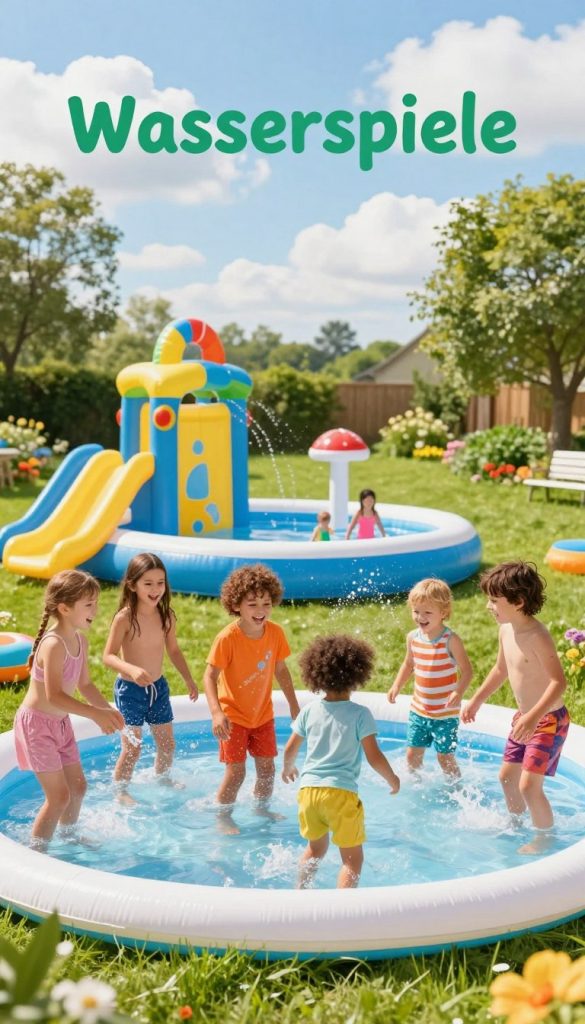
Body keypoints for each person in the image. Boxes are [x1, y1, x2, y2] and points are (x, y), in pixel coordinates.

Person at [462, 561, 569, 853]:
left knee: (528, 786)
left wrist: (534, 717)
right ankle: (516, 825)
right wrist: (476, 700)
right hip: (526, 718)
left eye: (494, 601)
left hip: (546, 720)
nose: (489, 606)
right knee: (507, 777)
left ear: (518, 601)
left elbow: (558, 682)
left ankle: (545, 839)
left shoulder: (537, 636)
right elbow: (500, 669)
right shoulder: (506, 630)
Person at [13, 570, 124, 850]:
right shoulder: (53, 644)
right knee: (59, 797)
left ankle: (68, 837)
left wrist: (106, 709)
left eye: (96, 603)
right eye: (89, 605)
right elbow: (55, 695)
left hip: (60, 724)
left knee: (78, 787)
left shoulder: (79, 640)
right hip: (37, 725)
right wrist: (94, 714)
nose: (95, 610)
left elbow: (85, 684)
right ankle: (36, 852)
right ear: (64, 608)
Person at [282, 634, 400, 889]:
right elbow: (374, 756)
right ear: (357, 676)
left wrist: (288, 767)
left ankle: (299, 894)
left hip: (308, 792)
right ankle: (342, 910)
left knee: (315, 849)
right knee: (351, 858)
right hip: (340, 794)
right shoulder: (360, 715)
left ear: (317, 676)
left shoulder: (310, 710)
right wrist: (392, 778)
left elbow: (290, 747)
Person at [203, 563, 300, 833]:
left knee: (267, 770)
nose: (260, 611)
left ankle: (261, 808)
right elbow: (209, 676)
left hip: (262, 715)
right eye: (252, 604)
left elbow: (281, 669)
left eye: (266, 604)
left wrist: (293, 703)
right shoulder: (228, 638)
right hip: (233, 716)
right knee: (236, 773)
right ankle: (223, 817)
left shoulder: (275, 633)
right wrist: (216, 712)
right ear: (236, 605)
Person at [103, 552, 198, 804]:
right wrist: (131, 669)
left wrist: (188, 679)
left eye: (160, 582)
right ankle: (121, 790)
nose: (156, 589)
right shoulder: (125, 618)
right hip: (130, 691)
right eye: (148, 584)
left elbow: (174, 651)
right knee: (132, 749)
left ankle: (162, 778)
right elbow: (108, 656)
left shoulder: (166, 616)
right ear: (132, 585)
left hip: (158, 689)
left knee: (167, 746)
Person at [387, 578, 473, 778]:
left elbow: (467, 671)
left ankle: (455, 788)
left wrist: (458, 692)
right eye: (416, 611)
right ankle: (417, 786)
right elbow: (409, 664)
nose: (420, 617)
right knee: (412, 756)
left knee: (445, 758)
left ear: (443, 613)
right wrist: (397, 686)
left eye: (427, 612)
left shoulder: (451, 640)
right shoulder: (413, 638)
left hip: (445, 714)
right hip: (419, 710)